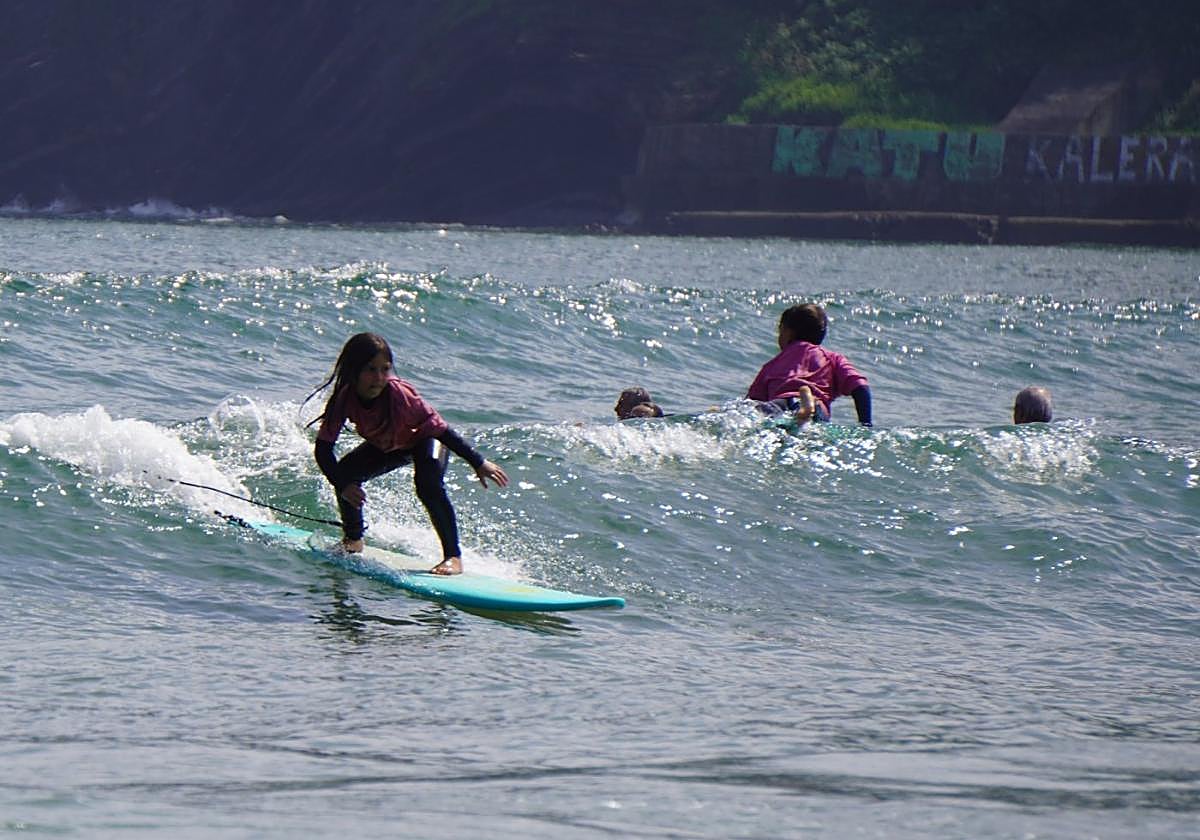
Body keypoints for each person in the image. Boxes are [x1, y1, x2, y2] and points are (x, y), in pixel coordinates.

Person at [305, 332, 508, 575]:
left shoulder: (400, 395)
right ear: (353, 370)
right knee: (346, 473)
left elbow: (442, 431)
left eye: (385, 369)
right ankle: (353, 540)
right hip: (389, 447)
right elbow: (324, 449)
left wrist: (478, 462)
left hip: (426, 440)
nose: (379, 378)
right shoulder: (344, 399)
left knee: (427, 485)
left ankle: (453, 557)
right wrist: (343, 484)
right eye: (371, 369)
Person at [747, 303, 872, 425]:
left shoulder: (771, 365)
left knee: (764, 417)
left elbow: (750, 402)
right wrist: (866, 424)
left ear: (787, 332)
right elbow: (861, 388)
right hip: (815, 404)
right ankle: (806, 406)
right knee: (808, 426)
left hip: (780, 402)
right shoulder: (832, 359)